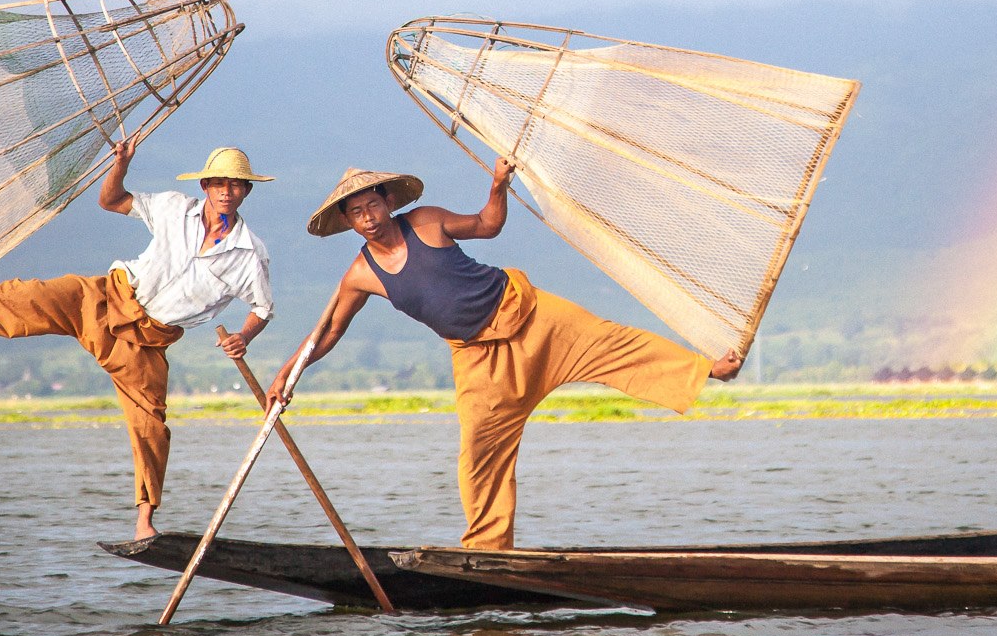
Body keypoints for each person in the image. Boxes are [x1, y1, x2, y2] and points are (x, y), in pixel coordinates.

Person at [267, 159, 742, 549]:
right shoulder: (360, 274)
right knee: (479, 454)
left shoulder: (427, 221)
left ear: (389, 202)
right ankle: (487, 551)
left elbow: (487, 225)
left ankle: (708, 370)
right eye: (357, 212)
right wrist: (286, 376)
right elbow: (327, 332)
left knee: (614, 343)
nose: (368, 217)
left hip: (531, 315)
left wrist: (498, 185)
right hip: (479, 358)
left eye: (373, 204)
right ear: (349, 222)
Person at [0, 142, 274, 540]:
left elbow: (262, 308)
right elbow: (111, 200)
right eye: (219, 183)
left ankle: (143, 521)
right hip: (107, 297)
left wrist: (243, 335)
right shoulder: (174, 207)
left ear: (246, 192)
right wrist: (120, 164)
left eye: (236, 186)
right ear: (205, 185)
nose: (226, 192)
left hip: (147, 341)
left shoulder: (249, 254)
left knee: (150, 428)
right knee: (34, 296)